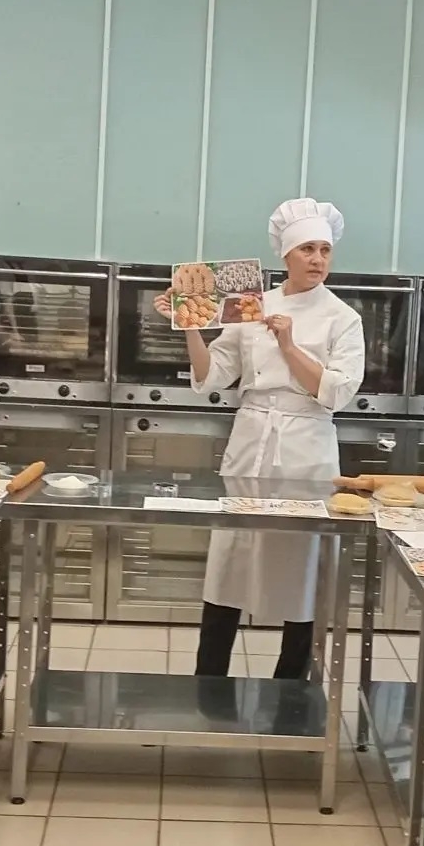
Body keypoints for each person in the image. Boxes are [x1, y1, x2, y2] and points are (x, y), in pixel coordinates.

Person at [155, 198, 364, 680]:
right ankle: (209, 684)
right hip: (251, 439)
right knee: (230, 561)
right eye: (307, 249)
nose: (317, 259)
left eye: (325, 250)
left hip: (306, 446)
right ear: (285, 255)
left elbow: (337, 392)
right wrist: (190, 325)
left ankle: (289, 689)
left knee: (301, 568)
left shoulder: (342, 317)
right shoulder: (250, 304)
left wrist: (289, 345)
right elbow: (214, 375)